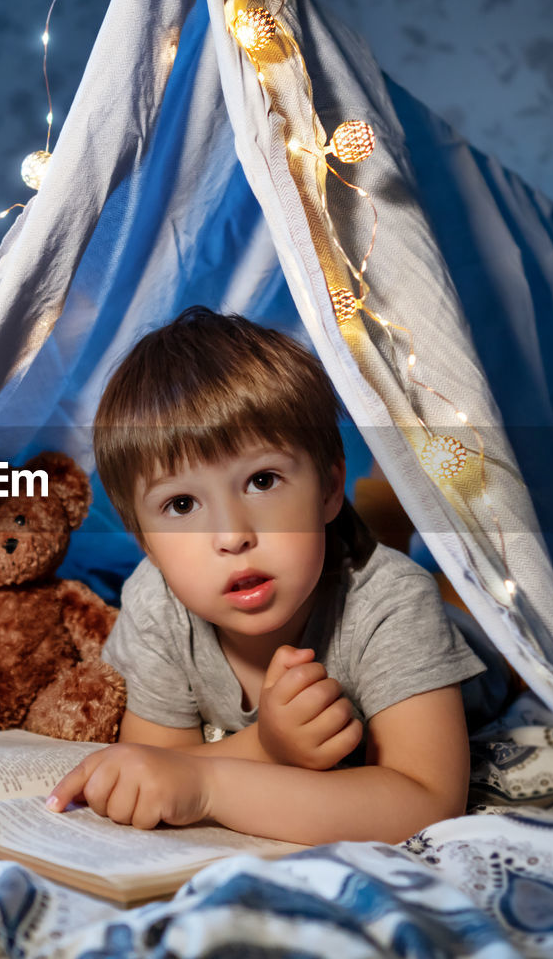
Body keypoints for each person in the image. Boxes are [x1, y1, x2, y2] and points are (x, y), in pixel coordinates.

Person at [46, 307, 485, 844]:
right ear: (146, 544)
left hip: (468, 647)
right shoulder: (156, 602)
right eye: (182, 504)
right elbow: (160, 761)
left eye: (262, 480)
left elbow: (429, 802)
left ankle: (385, 515)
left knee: (484, 636)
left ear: (327, 490)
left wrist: (209, 785)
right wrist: (265, 748)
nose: (232, 535)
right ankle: (375, 514)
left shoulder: (392, 602)